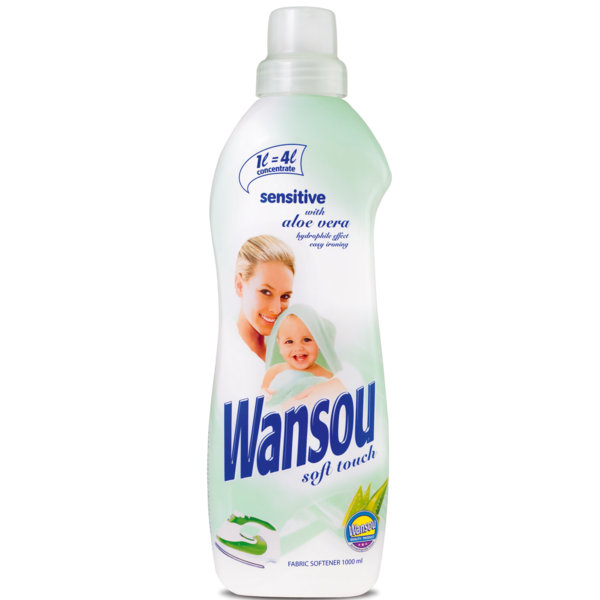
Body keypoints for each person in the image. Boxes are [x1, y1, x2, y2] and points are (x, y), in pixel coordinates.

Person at [262, 305, 347, 410]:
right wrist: (263, 395)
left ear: (319, 342)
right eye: (289, 341)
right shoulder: (273, 372)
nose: (298, 348)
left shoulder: (328, 376)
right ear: (280, 346)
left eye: (306, 340)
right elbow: (261, 400)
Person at [234, 235, 295, 362]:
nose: (276, 310)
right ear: (240, 286)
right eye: (265, 292)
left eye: (285, 296)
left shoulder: (290, 352)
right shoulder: (229, 352)